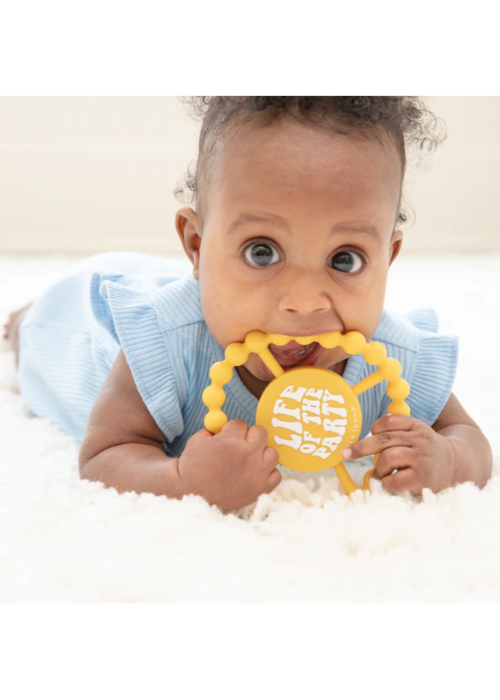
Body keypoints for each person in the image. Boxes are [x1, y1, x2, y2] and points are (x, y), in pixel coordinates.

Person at [3, 96, 493, 510]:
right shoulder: (164, 346)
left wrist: (447, 460)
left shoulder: (391, 357)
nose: (304, 303)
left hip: (216, 296)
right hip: (78, 332)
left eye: (344, 260)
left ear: (389, 257)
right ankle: (23, 321)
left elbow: (470, 441)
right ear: (197, 246)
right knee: (42, 338)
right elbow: (103, 456)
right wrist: (182, 481)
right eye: (263, 252)